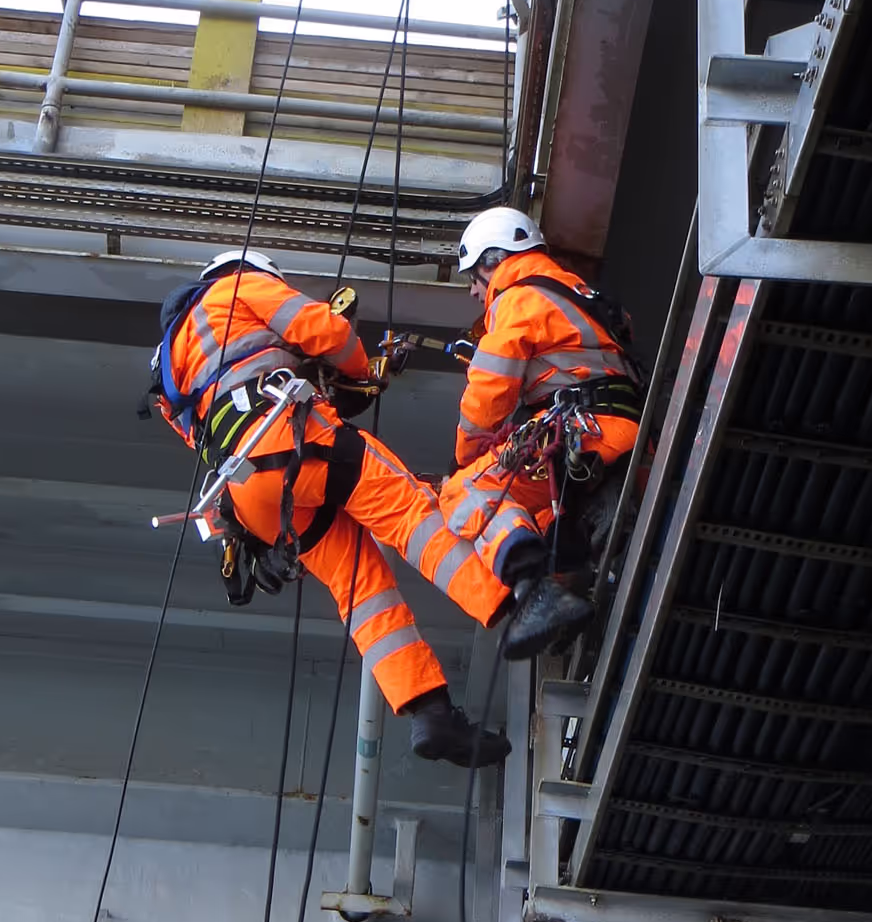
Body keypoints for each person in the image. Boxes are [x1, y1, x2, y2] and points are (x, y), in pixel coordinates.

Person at [147, 249, 581, 767]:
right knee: (412, 514)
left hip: (250, 499)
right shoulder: (236, 289)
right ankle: (520, 608)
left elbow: (211, 413)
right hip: (294, 441)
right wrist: (363, 368)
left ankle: (429, 713)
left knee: (362, 593)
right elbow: (322, 331)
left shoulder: (169, 368)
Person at [437, 208, 644, 654]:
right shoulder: (575, 292)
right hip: (622, 432)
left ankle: (535, 588)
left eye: (474, 277)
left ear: (494, 258)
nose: (476, 291)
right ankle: (566, 577)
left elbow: (488, 391)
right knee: (539, 509)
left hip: (584, 432)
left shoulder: (517, 299)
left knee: (466, 491)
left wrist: (464, 458)